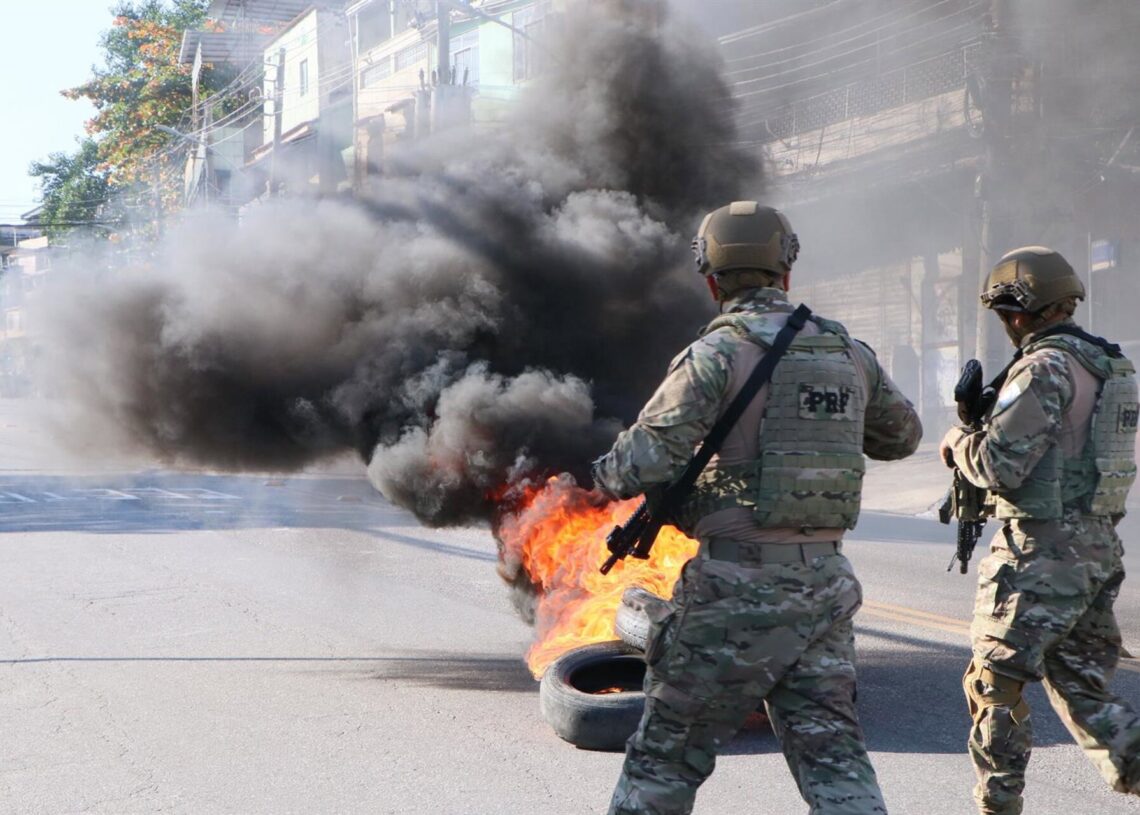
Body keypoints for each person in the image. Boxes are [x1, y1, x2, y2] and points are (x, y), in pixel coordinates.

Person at [592, 201, 922, 815]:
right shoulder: (849, 353)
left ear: (711, 280)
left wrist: (602, 470)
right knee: (836, 764)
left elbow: (634, 466)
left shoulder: (713, 356)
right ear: (786, 272)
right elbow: (902, 437)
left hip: (732, 593)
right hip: (824, 588)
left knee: (663, 763)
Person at [940, 246, 1140, 815]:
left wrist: (957, 444)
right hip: (1096, 549)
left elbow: (1000, 465)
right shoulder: (1112, 365)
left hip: (1039, 553)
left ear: (1021, 309)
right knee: (1083, 691)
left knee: (994, 684)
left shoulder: (1042, 368)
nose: (1005, 324)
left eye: (1005, 313)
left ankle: (997, 805)